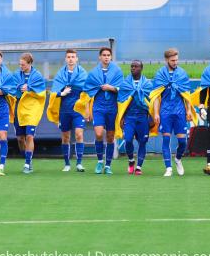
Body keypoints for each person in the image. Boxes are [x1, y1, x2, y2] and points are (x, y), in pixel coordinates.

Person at [150, 48, 194, 177]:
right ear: (166, 60)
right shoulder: (160, 74)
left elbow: (186, 94)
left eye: (176, 60)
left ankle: (178, 159)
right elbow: (156, 96)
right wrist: (156, 113)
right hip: (165, 112)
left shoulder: (182, 74)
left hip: (180, 112)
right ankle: (168, 168)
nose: (175, 62)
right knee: (166, 139)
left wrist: (189, 110)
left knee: (182, 142)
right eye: (173, 60)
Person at [47, 49, 88, 172]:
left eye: (73, 57)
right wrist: (62, 93)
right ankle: (67, 164)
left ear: (77, 59)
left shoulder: (82, 73)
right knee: (65, 137)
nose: (71, 59)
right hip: (64, 110)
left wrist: (87, 110)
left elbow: (87, 93)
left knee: (79, 134)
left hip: (78, 110)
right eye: (69, 57)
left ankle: (79, 163)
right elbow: (54, 93)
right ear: (65, 59)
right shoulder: (60, 74)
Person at [83, 47, 123, 175]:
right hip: (98, 108)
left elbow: (122, 89)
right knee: (99, 134)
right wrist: (87, 110)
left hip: (112, 108)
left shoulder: (117, 71)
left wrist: (111, 88)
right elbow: (87, 91)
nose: (106, 57)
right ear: (99, 57)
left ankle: (108, 165)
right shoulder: (93, 73)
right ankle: (100, 161)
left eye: (108, 55)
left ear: (111, 57)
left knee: (110, 137)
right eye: (104, 55)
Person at [115, 60, 154, 175]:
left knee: (143, 142)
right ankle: (131, 160)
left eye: (136, 66)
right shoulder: (125, 84)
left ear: (141, 68)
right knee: (127, 140)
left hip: (143, 117)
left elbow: (152, 102)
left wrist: (151, 117)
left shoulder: (147, 84)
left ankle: (139, 167)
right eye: (132, 66)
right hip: (129, 117)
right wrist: (122, 117)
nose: (133, 68)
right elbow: (121, 102)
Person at [12, 53, 46, 174]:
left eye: (23, 64)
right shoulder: (16, 74)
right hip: (19, 108)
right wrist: (20, 87)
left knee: (29, 136)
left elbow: (41, 91)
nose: (21, 66)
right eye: (20, 64)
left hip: (32, 108)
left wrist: (30, 88)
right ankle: (26, 158)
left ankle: (27, 163)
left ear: (30, 63)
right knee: (20, 139)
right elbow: (12, 88)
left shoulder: (37, 75)